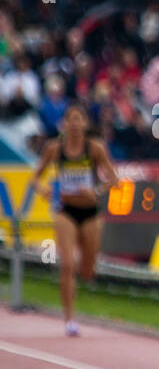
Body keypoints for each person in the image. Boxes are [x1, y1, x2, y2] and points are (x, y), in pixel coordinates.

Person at [28, 103, 119, 336]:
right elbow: (35, 178)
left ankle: (83, 268)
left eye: (80, 119)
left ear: (86, 124)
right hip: (65, 211)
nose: (76, 124)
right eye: (72, 119)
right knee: (67, 265)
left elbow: (114, 179)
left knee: (87, 271)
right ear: (65, 124)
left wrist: (97, 192)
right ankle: (69, 319)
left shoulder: (95, 149)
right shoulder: (54, 149)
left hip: (90, 213)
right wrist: (43, 189)